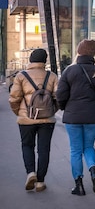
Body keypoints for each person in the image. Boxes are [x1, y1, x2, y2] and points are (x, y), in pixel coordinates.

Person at [56, 39, 95, 196]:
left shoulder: (69, 71)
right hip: (93, 117)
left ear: (78, 52)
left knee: (75, 150)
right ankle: (94, 172)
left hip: (73, 117)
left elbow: (60, 95)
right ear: (93, 53)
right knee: (88, 147)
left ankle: (78, 185)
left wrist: (64, 107)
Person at [8, 48, 58, 192]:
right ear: (45, 61)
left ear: (30, 60)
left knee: (27, 146)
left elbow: (14, 98)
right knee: (44, 150)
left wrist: (20, 113)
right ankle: (41, 182)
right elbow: (58, 98)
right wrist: (51, 111)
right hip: (47, 120)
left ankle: (31, 173)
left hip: (26, 119)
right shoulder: (52, 76)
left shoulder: (21, 76)